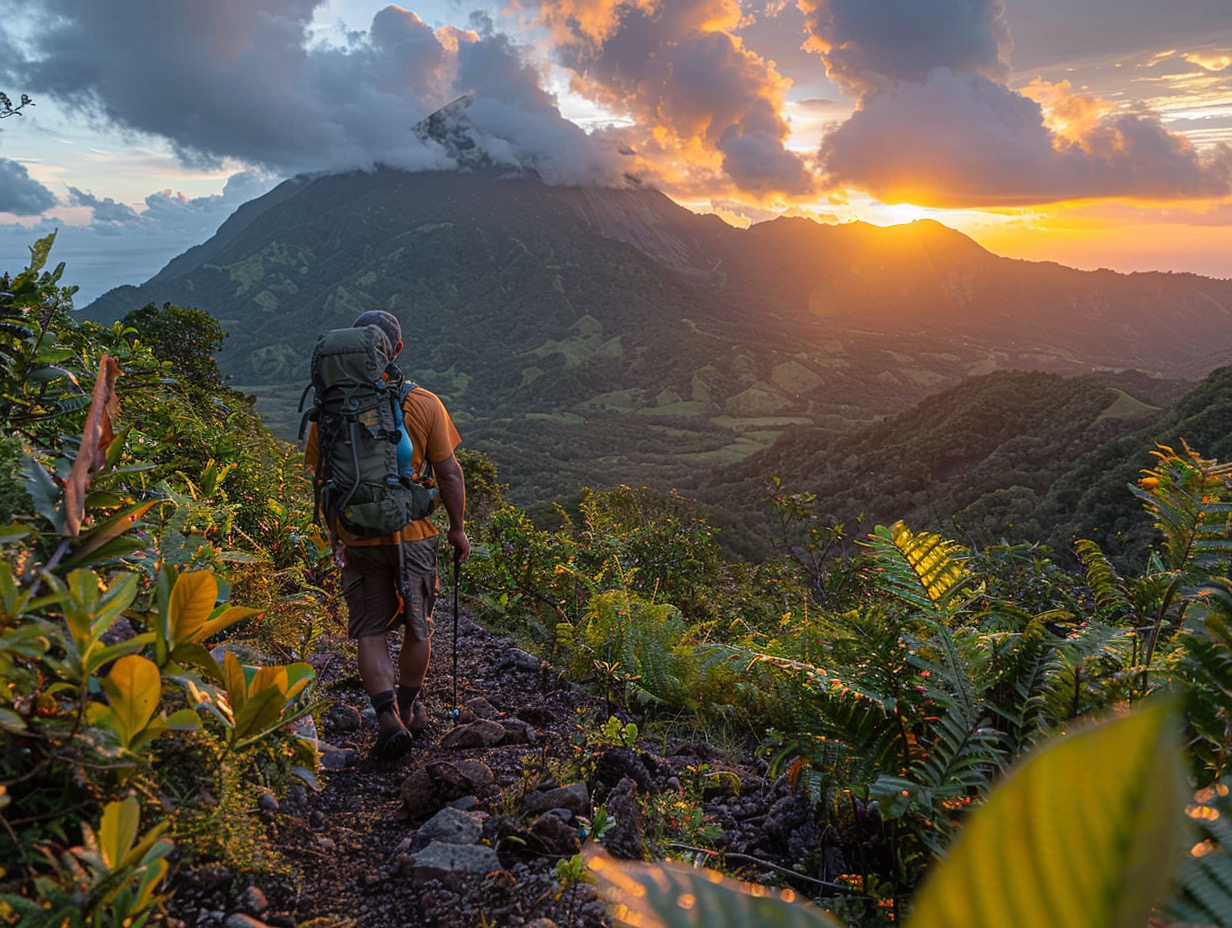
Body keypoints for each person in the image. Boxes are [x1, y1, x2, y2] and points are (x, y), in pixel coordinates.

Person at [304, 309, 470, 760]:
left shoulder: (329, 410)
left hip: (356, 534)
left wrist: (334, 535)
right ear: (395, 350)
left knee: (369, 631)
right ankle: (409, 708)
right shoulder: (425, 403)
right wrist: (457, 530)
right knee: (419, 626)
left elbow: (320, 476)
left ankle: (385, 717)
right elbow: (449, 473)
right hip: (414, 533)